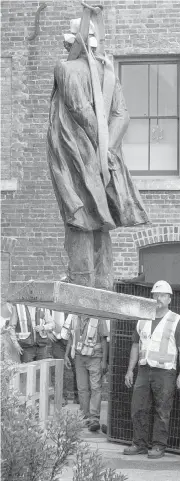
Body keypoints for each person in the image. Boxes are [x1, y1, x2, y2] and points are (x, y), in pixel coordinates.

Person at [47, 13, 149, 290]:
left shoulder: (65, 70)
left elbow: (79, 109)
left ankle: (82, 285)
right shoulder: (110, 75)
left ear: (72, 45)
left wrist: (98, 146)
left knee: (79, 218)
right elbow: (122, 116)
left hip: (75, 157)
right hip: (105, 161)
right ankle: (103, 283)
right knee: (101, 222)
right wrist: (108, 149)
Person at [124, 280, 180, 459]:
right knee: (138, 408)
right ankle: (139, 443)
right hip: (144, 370)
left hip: (165, 372)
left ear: (170, 298)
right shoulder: (143, 319)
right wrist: (129, 370)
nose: (158, 298)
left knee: (162, 410)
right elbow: (135, 345)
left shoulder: (176, 320)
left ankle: (158, 446)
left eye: (162, 295)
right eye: (155, 295)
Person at [64, 314, 109, 432]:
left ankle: (94, 418)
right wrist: (66, 355)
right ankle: (85, 417)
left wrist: (104, 361)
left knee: (95, 387)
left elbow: (104, 340)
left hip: (95, 357)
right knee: (82, 388)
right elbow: (70, 337)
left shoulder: (99, 317)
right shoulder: (74, 316)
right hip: (79, 357)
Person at [50, 310, 79, 404]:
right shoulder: (55, 304)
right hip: (57, 341)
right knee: (59, 368)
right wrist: (47, 332)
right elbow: (44, 317)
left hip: (72, 341)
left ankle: (78, 397)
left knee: (77, 369)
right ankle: (61, 397)